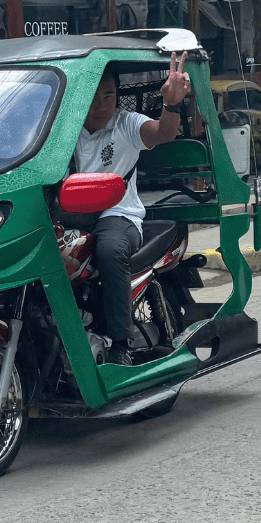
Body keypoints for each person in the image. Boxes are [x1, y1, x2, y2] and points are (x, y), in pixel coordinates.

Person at [73, 52, 192, 366]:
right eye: (93, 97)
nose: (101, 106)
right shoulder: (64, 132)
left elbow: (164, 133)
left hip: (117, 216)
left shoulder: (126, 123)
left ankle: (120, 343)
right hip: (69, 218)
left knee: (109, 250)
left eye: (108, 96)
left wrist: (171, 104)